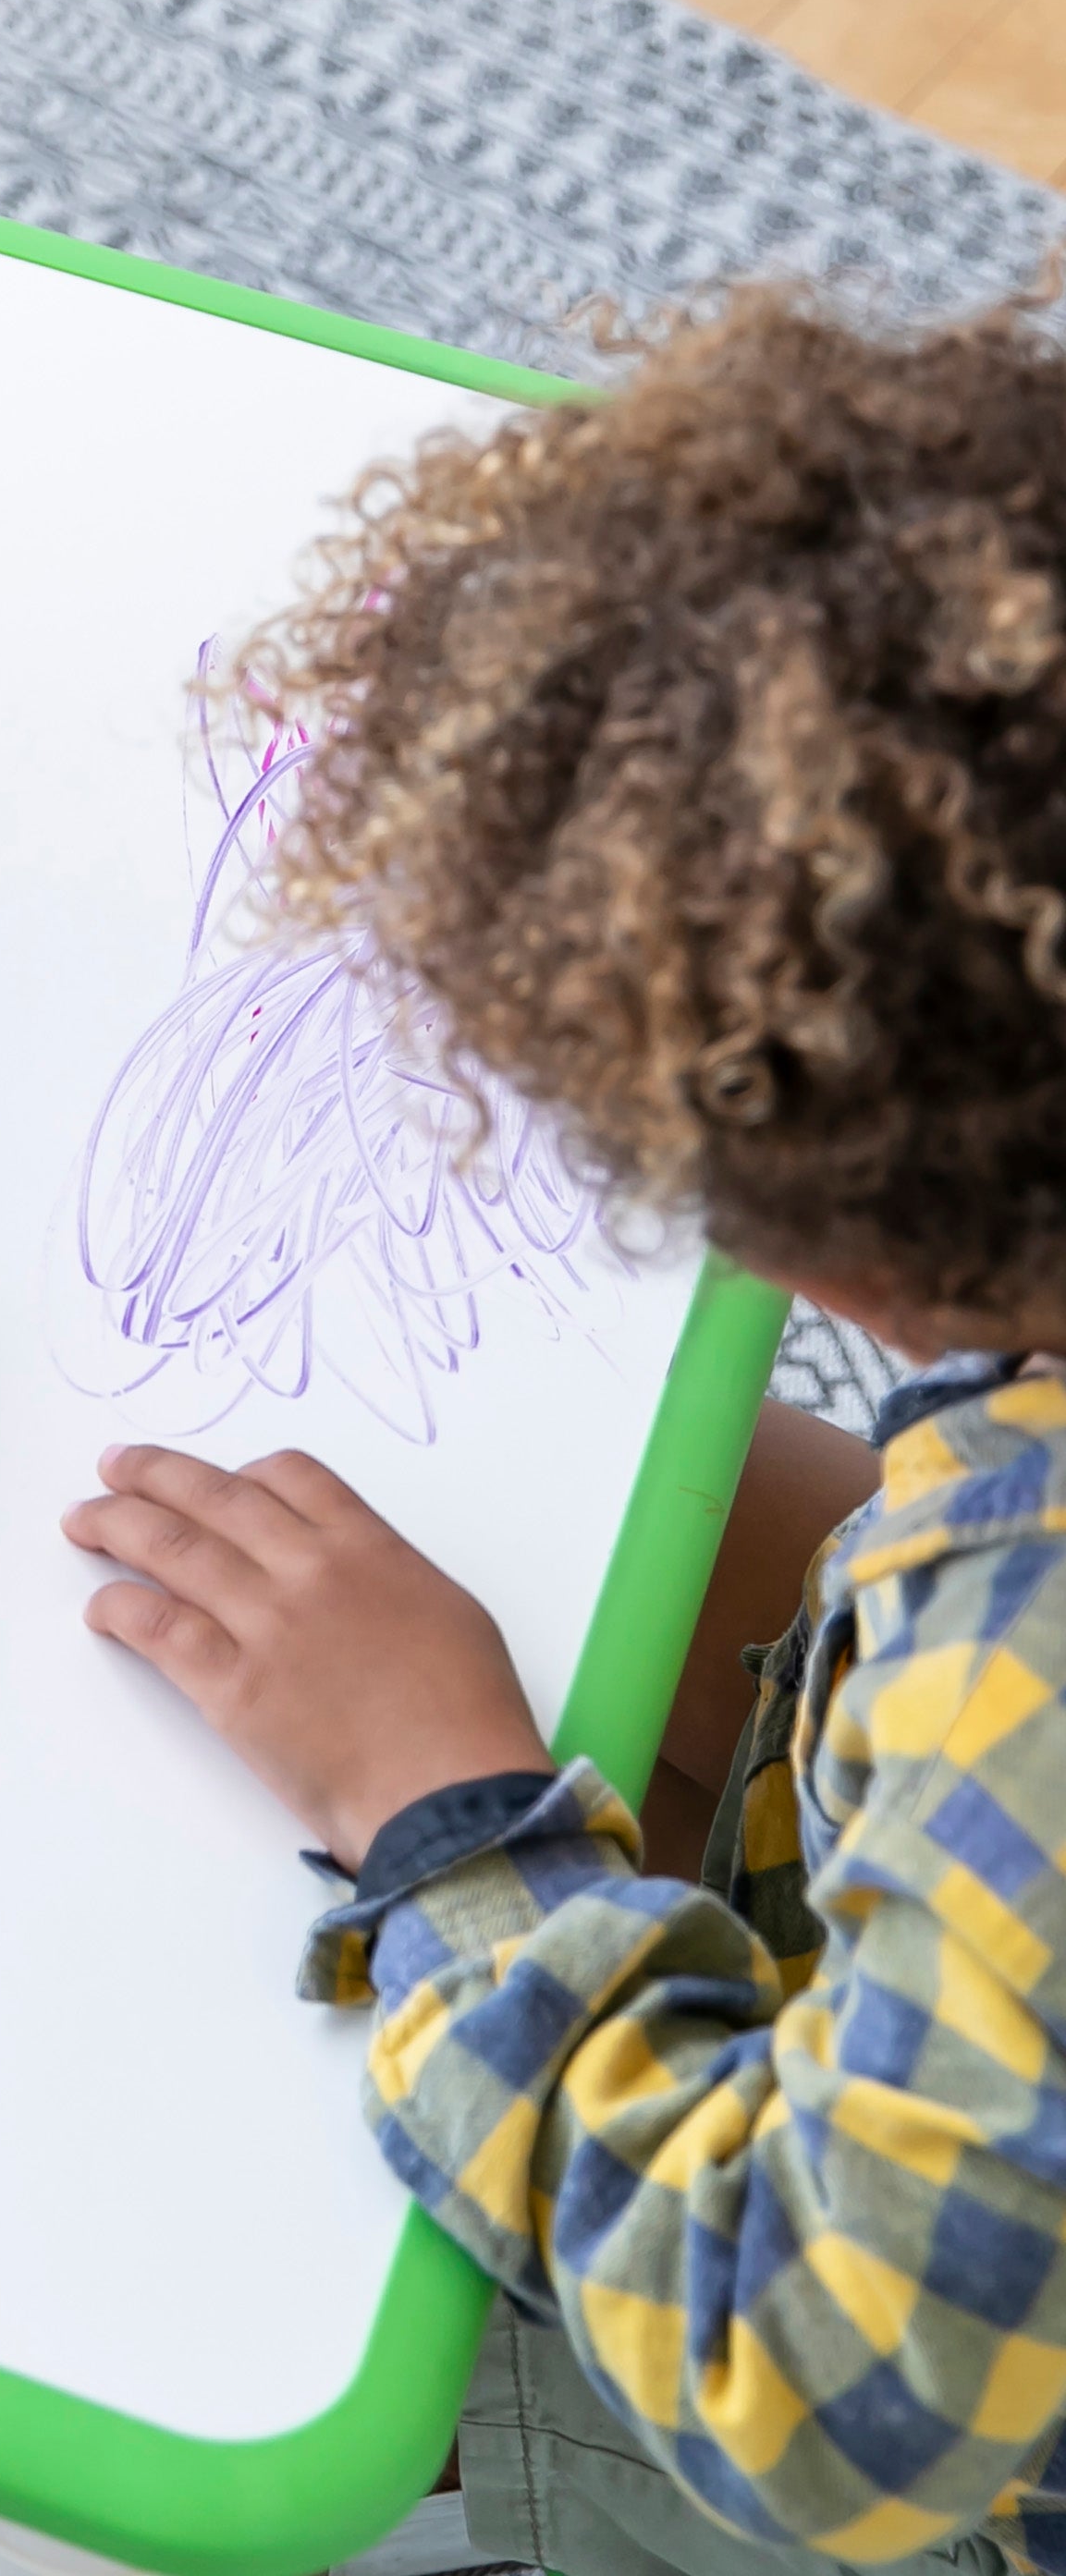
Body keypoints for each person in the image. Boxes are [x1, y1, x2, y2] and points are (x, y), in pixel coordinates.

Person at [63, 291, 1066, 2576]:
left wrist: (443, 1825)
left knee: (169, 2320)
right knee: (697, 1547)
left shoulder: (1016, 1667)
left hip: (939, 2442)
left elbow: (826, 2392)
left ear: (820, 1232)